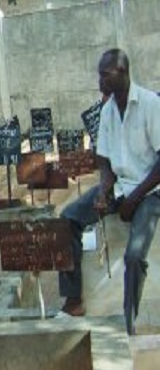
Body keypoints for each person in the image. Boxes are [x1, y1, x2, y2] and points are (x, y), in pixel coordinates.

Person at [58, 49, 160, 335]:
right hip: (119, 186)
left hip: (150, 191)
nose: (99, 81)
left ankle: (129, 323)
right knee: (67, 219)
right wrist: (104, 191)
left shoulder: (151, 104)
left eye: (105, 75)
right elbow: (104, 160)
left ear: (123, 73)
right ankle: (73, 300)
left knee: (134, 257)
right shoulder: (107, 111)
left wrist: (134, 200)